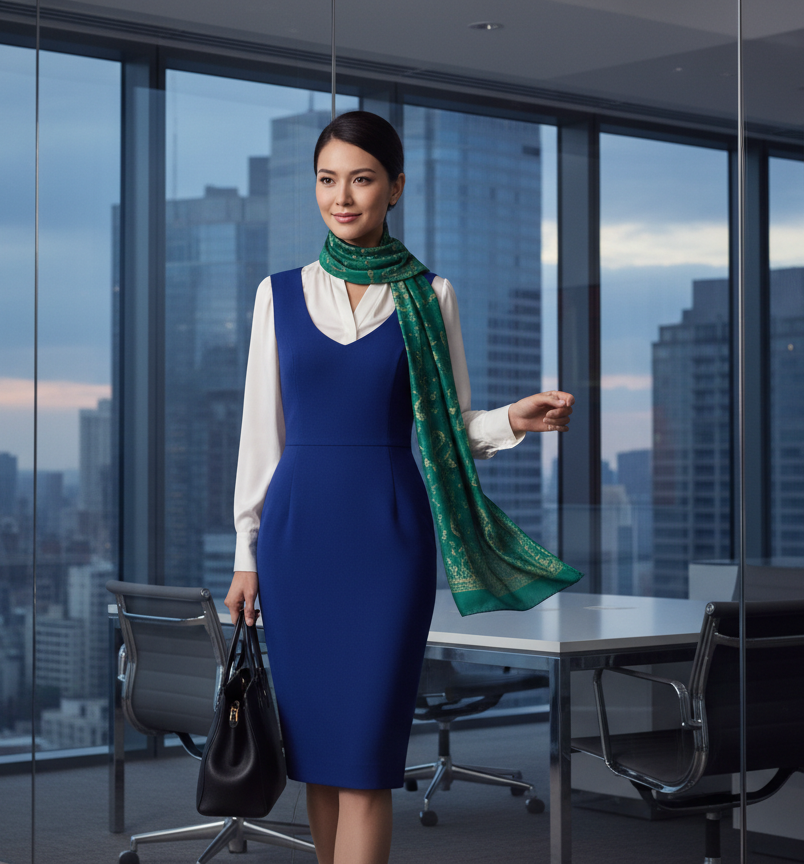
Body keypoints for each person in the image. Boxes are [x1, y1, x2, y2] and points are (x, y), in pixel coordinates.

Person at [225, 110, 574, 864]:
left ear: (395, 187)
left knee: (368, 762)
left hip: (387, 543)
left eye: (361, 179)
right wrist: (245, 552)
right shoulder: (279, 295)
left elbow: (451, 428)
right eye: (327, 180)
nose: (341, 196)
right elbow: (260, 434)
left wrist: (513, 418)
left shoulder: (429, 294)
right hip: (295, 539)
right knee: (316, 756)